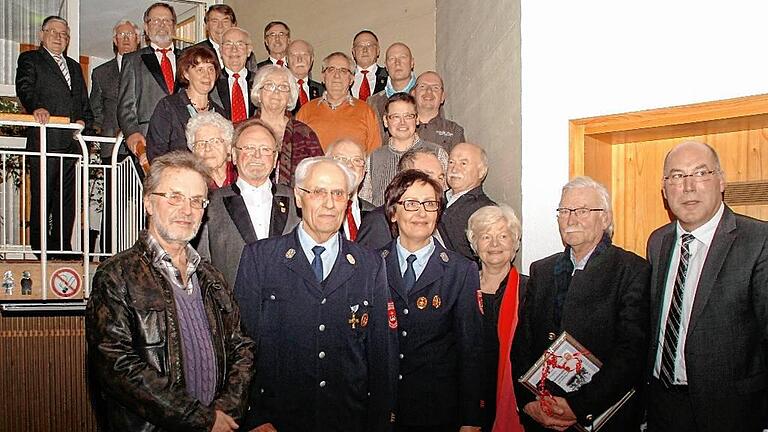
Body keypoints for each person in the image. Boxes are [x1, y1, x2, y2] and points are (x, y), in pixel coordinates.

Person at [85, 151, 254, 431]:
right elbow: (116, 365)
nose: (187, 210)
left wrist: (225, 414)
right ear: (148, 202)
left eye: (196, 201)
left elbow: (242, 348)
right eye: (174, 197)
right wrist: (202, 419)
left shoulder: (211, 277)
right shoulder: (116, 276)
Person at [234, 157, 397, 431]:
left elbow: (382, 352)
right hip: (278, 420)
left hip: (348, 419)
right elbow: (242, 345)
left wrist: (380, 422)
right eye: (319, 192)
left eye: (338, 193)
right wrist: (255, 417)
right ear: (299, 196)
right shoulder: (260, 259)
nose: (329, 203)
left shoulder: (369, 264)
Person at [645, 141, 768, 432]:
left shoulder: (759, 240)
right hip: (662, 407)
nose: (688, 186)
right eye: (676, 176)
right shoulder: (658, 241)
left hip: (733, 412)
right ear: (664, 189)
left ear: (722, 181)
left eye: (700, 173)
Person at [512, 176, 649, 432]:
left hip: (602, 418)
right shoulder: (542, 270)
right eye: (564, 211)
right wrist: (529, 402)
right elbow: (522, 344)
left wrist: (577, 406)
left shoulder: (632, 271)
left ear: (605, 218)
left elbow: (630, 355)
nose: (571, 218)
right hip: (543, 417)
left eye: (582, 210)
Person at [381, 169, 483, 431]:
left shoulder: (461, 271)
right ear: (394, 212)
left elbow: (470, 349)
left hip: (436, 410)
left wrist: (470, 419)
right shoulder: (371, 265)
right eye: (411, 203)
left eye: (430, 204)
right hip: (379, 408)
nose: (421, 213)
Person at [15, 15, 92, 257]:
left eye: (65, 34)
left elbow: (82, 102)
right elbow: (24, 87)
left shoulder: (74, 66)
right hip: (44, 141)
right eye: (55, 32)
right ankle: (41, 249)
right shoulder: (30, 59)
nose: (60, 38)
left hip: (70, 144)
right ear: (42, 34)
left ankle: (62, 247)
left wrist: (84, 121)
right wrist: (36, 107)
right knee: (43, 196)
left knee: (66, 200)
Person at [197, 118, 299, 288]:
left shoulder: (297, 200)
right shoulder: (211, 203)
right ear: (234, 156)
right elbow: (202, 266)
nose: (257, 155)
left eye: (265, 149)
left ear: (275, 160)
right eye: (249, 148)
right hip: (232, 309)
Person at [466, 205, 526, 432]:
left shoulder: (530, 290)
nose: (494, 244)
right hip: (468, 397)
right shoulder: (462, 287)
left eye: (503, 236)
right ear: (475, 244)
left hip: (511, 396)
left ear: (515, 243)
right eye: (485, 236)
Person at [117, 2, 180, 170]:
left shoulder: (187, 58)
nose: (162, 25)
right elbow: (125, 105)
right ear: (146, 26)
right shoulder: (132, 60)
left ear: (174, 27)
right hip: (148, 141)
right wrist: (132, 133)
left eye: (167, 21)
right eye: (156, 20)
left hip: (183, 142)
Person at [360, 92, 447, 206]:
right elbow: (366, 201)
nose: (402, 122)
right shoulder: (374, 158)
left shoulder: (437, 154)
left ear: (417, 119)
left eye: (408, 116)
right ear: (386, 121)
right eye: (396, 117)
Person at [146, 45, 225, 162]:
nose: (207, 75)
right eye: (200, 70)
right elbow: (156, 154)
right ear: (186, 74)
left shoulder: (219, 113)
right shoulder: (168, 107)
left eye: (211, 69)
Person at [357, 146, 446, 250]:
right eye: (427, 176)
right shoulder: (379, 222)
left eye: (441, 177)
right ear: (404, 178)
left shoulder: (440, 217)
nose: (437, 184)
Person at [250, 64, 324, 185]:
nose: (276, 92)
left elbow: (320, 173)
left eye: (283, 87)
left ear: (290, 96)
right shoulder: (243, 130)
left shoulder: (305, 133)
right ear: (258, 92)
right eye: (269, 85)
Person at [296, 52, 382, 153]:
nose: (337, 75)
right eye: (331, 69)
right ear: (323, 77)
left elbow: (374, 154)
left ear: (351, 79)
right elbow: (297, 153)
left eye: (343, 71)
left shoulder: (366, 111)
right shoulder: (306, 110)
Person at [439, 142, 496, 260]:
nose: (454, 169)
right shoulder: (435, 200)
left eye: (463, 163)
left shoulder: (486, 211)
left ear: (481, 172)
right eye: (451, 162)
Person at [90, 19, 140, 149]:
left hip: (141, 141)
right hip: (111, 144)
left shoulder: (147, 69)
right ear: (114, 40)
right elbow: (96, 110)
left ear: (138, 39)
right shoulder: (100, 73)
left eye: (130, 34)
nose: (126, 39)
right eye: (121, 35)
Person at [325, 138, 374, 240]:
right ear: (326, 164)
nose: (350, 165)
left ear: (364, 170)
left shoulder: (375, 215)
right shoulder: (313, 211)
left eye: (357, 160)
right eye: (341, 159)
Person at [367, 43, 417, 144]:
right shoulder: (373, 102)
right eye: (392, 59)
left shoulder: (425, 97)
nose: (397, 63)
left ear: (412, 62)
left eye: (403, 57)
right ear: (385, 65)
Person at [210, 27, 257, 123]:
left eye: (240, 44)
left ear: (249, 51)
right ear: (220, 51)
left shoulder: (260, 82)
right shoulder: (211, 83)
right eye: (228, 44)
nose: (234, 50)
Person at [412, 71, 465, 151]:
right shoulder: (399, 126)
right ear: (413, 94)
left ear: (442, 97)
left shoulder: (455, 131)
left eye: (435, 88)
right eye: (423, 86)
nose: (429, 91)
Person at [186, 111, 237, 189]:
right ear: (193, 151)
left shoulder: (242, 175)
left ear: (228, 147)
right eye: (201, 144)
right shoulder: (190, 184)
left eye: (215, 141)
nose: (207, 148)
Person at [287, 39, 325, 114]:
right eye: (294, 55)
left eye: (304, 55)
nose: (299, 59)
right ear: (287, 60)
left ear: (312, 59)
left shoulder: (323, 91)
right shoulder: (280, 90)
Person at [351, 30, 387, 101]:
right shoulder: (344, 78)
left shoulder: (389, 77)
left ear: (378, 51)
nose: (365, 50)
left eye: (369, 45)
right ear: (353, 52)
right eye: (360, 45)